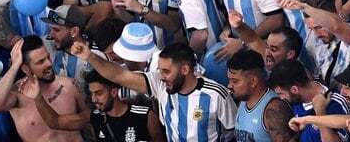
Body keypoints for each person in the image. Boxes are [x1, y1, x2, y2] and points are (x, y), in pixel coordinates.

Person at [70, 39, 237, 142]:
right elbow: (119, 76)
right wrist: (90, 57)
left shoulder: (217, 95)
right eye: (160, 70)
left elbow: (233, 134)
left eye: (166, 71)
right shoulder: (160, 84)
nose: (161, 76)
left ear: (185, 70)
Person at [0, 37, 90, 142]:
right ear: (25, 68)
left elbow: (91, 123)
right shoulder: (18, 95)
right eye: (41, 62)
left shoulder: (71, 86)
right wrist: (15, 66)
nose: (49, 63)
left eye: (48, 57)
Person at [227, 49, 280, 142]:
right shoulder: (243, 101)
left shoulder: (273, 109)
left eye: (235, 81)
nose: (229, 85)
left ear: (253, 81)